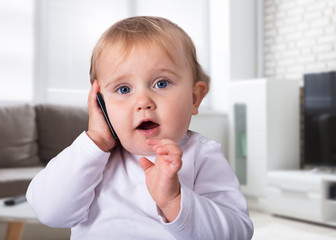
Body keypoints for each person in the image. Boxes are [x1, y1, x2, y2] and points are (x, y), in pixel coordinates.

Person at [26, 16, 253, 240]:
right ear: (100, 103)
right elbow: (50, 213)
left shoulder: (203, 155)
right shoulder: (91, 157)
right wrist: (96, 141)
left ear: (195, 98)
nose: (143, 101)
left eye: (161, 83)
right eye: (124, 89)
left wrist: (173, 201)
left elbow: (237, 232)